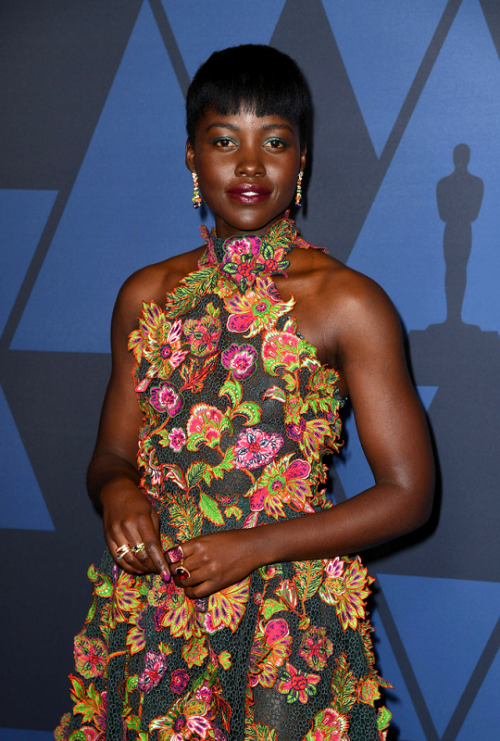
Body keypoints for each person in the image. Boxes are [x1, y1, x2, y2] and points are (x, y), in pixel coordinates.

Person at [56, 45, 433, 741]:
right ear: (193, 159)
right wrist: (118, 492)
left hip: (286, 626)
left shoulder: (347, 303)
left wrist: (254, 546)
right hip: (153, 615)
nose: (251, 165)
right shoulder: (147, 295)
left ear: (303, 160)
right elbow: (111, 453)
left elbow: (409, 492)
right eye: (225, 140)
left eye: (275, 141)